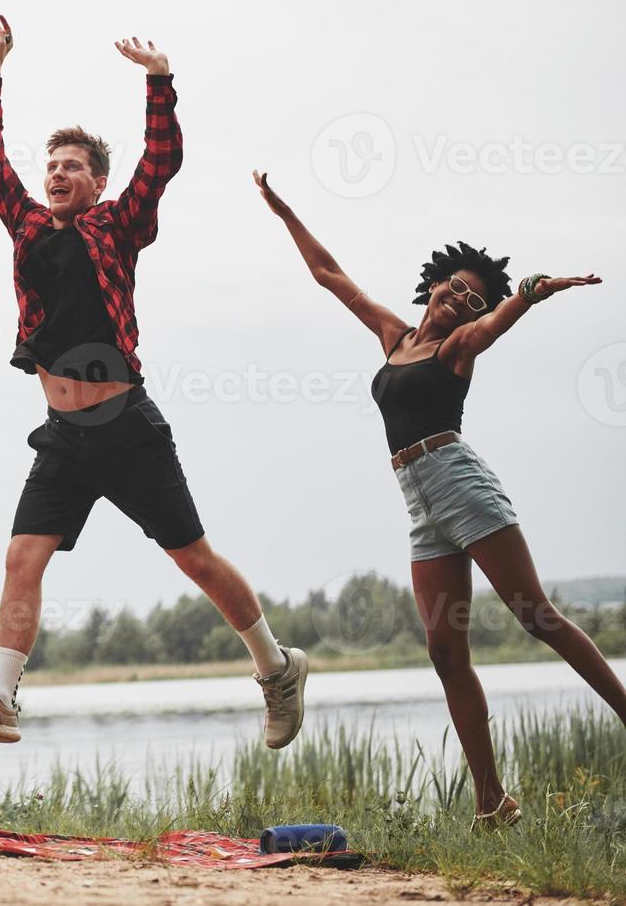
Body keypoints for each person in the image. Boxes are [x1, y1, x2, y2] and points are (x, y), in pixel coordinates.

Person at [0, 16, 308, 748]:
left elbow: (161, 162)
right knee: (21, 557)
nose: (58, 173)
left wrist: (159, 80)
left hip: (127, 427)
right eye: (53, 166)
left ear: (97, 182)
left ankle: (275, 667)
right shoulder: (28, 227)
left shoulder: (119, 226)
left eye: (74, 166)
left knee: (192, 557)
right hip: (65, 436)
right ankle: (0, 697)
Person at [252, 170, 626, 828]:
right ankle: (492, 802)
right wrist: (284, 212)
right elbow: (331, 275)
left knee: (536, 616)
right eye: (456, 288)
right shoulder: (396, 335)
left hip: (460, 485)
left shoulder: (458, 347)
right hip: (419, 507)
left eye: (474, 300)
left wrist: (533, 294)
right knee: (445, 653)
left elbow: (495, 328)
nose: (461, 301)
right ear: (435, 285)